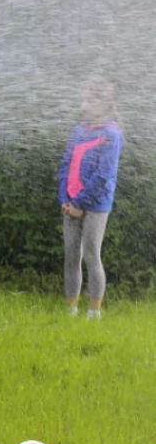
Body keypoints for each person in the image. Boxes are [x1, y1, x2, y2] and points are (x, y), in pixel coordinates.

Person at [57, 77, 124, 320]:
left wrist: (79, 204)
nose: (84, 104)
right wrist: (64, 198)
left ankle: (94, 312)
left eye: (90, 99)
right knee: (71, 256)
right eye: (83, 98)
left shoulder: (112, 135)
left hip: (95, 206)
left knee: (91, 255)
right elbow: (65, 165)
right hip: (70, 203)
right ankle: (70, 309)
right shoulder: (78, 131)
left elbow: (104, 175)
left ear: (104, 103)